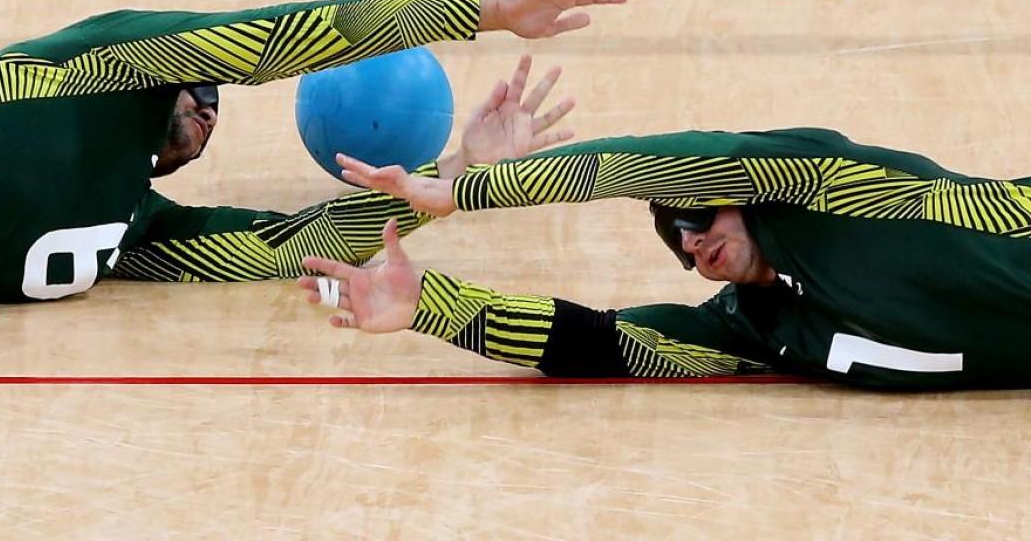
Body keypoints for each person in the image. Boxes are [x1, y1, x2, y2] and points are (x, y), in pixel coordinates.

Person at [0, 0, 628, 305]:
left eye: (217, 106)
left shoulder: (133, 229)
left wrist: (457, 176)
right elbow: (281, 37)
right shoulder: (103, 69)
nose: (210, 108)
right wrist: (487, 10)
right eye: (203, 88)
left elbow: (292, 245)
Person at [298, 121, 1031, 390]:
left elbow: (644, 165)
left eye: (697, 214)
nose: (692, 240)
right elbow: (608, 344)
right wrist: (435, 306)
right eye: (676, 239)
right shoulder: (756, 328)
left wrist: (472, 190)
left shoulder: (826, 186)